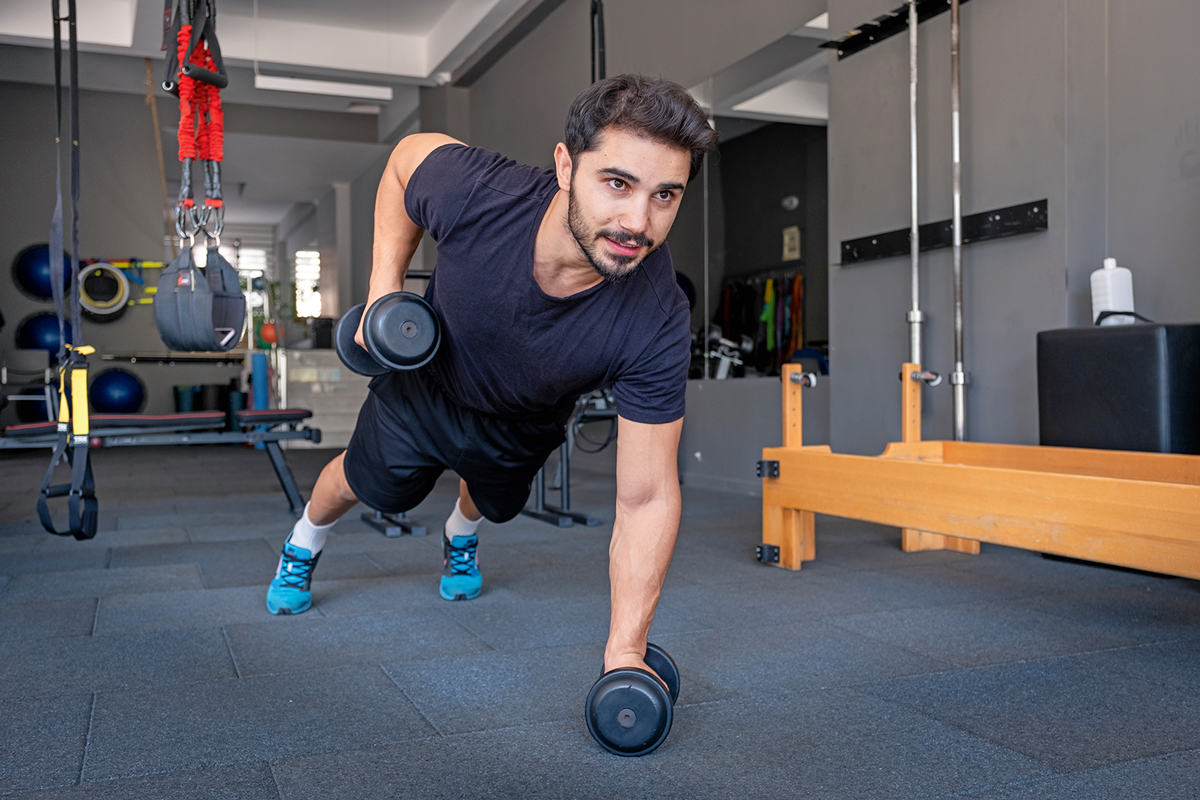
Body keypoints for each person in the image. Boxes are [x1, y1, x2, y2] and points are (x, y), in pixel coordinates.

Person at [266, 74, 717, 679]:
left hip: (523, 421)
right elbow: (404, 162)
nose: (638, 221)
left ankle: (460, 534)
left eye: (665, 195)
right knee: (364, 485)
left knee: (491, 501)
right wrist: (383, 292)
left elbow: (647, 497)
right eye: (617, 182)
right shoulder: (481, 192)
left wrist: (625, 656)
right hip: (427, 386)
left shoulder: (657, 313)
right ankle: (303, 543)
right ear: (565, 166)